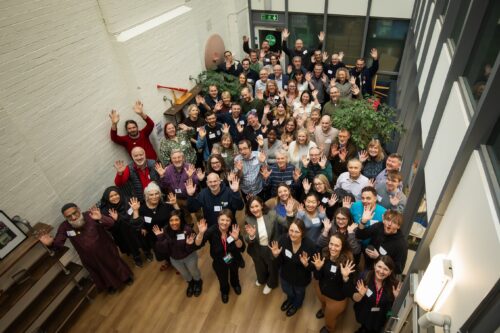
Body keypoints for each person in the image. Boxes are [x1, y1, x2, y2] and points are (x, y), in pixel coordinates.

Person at [39, 203, 133, 293]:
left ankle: (125, 278)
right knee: (99, 272)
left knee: (115, 264)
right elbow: (58, 243)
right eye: (69, 216)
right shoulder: (64, 226)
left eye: (74, 213)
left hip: (106, 249)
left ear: (79, 209)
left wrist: (100, 218)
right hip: (88, 257)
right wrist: (50, 244)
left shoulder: (91, 215)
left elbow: (111, 224)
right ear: (65, 217)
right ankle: (109, 285)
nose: (73, 217)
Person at [244, 197, 293, 294]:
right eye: (252, 207)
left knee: (272, 267)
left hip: (271, 247)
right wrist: (251, 236)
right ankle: (261, 279)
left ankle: (271, 284)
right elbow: (246, 238)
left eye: (257, 206)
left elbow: (287, 224)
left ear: (261, 205)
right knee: (259, 266)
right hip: (256, 248)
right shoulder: (248, 219)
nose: (255, 209)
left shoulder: (272, 214)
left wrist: (289, 214)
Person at [195, 211, 246, 303]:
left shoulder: (233, 229)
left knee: (235, 273)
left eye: (227, 220)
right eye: (222, 219)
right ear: (218, 220)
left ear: (231, 222)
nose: (225, 222)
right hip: (219, 261)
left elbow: (241, 247)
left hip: (233, 258)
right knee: (222, 278)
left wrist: (236, 239)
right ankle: (224, 291)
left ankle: (235, 284)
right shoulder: (212, 230)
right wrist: (201, 234)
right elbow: (198, 244)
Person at [269, 219, 316, 316]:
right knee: (287, 290)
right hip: (285, 275)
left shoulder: (310, 245)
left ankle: (296, 305)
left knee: (299, 294)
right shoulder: (283, 239)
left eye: (297, 232)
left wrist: (307, 264)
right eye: (291, 230)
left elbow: (314, 268)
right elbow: (279, 263)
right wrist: (276, 256)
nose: (293, 234)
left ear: (302, 233)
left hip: (301, 279)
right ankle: (290, 299)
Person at [312, 233, 356, 333]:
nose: (332, 248)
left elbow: (348, 291)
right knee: (323, 305)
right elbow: (317, 277)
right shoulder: (324, 253)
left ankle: (329, 329)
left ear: (343, 247)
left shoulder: (347, 262)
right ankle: (324, 310)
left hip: (336, 299)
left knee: (330, 319)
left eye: (337, 245)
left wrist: (345, 278)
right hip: (321, 290)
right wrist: (318, 269)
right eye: (331, 244)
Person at [152, 210, 203, 297]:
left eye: (176, 220)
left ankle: (198, 282)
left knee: (194, 271)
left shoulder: (188, 230)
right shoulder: (165, 230)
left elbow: (194, 247)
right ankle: (190, 283)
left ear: (181, 220)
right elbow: (163, 250)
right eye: (171, 220)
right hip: (175, 259)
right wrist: (160, 238)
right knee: (184, 273)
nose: (174, 223)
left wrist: (189, 244)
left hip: (189, 257)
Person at [353, 256, 402, 333]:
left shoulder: (394, 285)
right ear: (374, 265)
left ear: (390, 272)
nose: (381, 271)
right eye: (379, 266)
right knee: (364, 326)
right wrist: (360, 294)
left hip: (381, 316)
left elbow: (393, 308)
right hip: (365, 312)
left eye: (386, 269)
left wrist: (396, 299)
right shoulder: (364, 276)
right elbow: (354, 298)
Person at [136, 182, 180, 270]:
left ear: (160, 195)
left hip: (169, 234)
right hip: (154, 237)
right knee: (162, 251)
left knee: (173, 250)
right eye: (151, 194)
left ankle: (178, 264)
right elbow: (139, 222)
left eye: (157, 194)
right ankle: (168, 261)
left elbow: (179, 217)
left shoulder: (167, 206)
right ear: (147, 196)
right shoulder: (142, 209)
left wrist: (175, 204)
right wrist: (143, 227)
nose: (154, 196)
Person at [99, 186, 146, 267]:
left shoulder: (128, 200)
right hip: (122, 233)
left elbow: (137, 215)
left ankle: (147, 252)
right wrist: (116, 220)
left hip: (134, 227)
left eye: (116, 194)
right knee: (130, 245)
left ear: (119, 194)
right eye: (111, 196)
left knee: (142, 239)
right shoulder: (106, 211)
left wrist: (119, 218)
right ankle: (136, 257)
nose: (114, 197)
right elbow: (111, 228)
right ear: (107, 198)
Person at [356, 210, 408, 274]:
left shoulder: (401, 244)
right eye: (388, 220)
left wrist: (378, 257)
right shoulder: (379, 226)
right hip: (368, 268)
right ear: (384, 220)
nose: (389, 224)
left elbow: (399, 270)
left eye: (394, 222)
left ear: (398, 226)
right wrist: (363, 222)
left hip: (383, 276)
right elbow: (359, 235)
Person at [156, 150, 199, 224]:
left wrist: (191, 176)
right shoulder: (167, 169)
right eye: (174, 158)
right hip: (176, 199)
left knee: (198, 216)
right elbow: (164, 186)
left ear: (183, 158)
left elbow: (196, 184)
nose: (177, 160)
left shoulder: (189, 167)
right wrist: (162, 176)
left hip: (190, 198)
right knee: (184, 216)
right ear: (171, 160)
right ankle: (189, 226)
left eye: (179, 157)